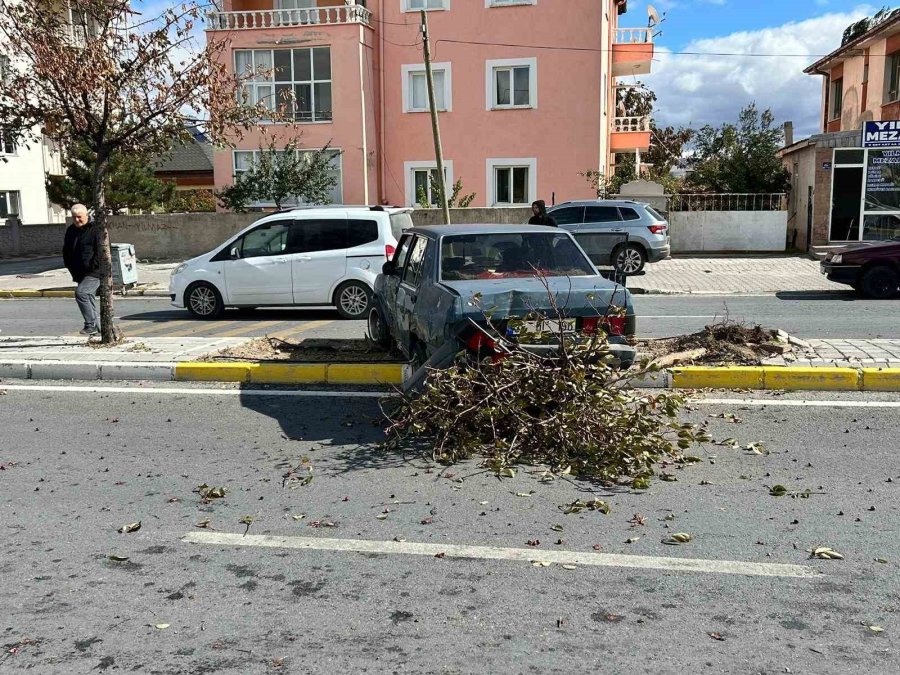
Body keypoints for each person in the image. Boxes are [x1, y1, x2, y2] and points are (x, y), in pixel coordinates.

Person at [62, 204, 102, 335]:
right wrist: (68, 264)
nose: (77, 220)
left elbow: (101, 252)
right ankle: (98, 329)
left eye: (79, 217)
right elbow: (66, 249)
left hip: (94, 271)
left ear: (86, 215)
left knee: (82, 293)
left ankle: (90, 325)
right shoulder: (71, 230)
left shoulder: (95, 230)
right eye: (74, 217)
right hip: (79, 272)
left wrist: (95, 266)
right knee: (88, 298)